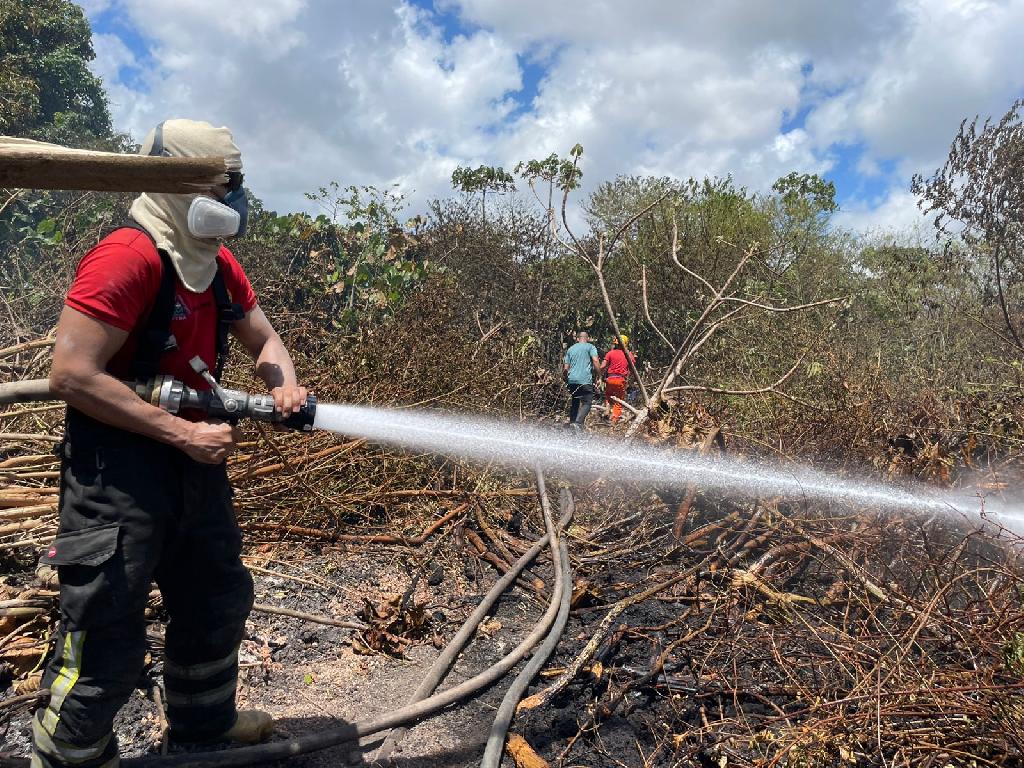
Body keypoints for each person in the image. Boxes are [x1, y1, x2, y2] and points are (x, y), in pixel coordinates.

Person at [32, 119, 307, 768]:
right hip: (114, 474)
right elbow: (72, 374)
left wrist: (284, 385)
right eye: (222, 185)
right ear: (177, 186)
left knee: (216, 598)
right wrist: (181, 430)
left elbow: (265, 340)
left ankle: (203, 726)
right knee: (106, 628)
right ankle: (70, 753)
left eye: (236, 184)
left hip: (194, 469)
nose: (235, 199)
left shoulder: (214, 265)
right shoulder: (127, 257)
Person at [562, 331, 600, 430]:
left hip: (572, 380)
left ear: (577, 339)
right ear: (586, 339)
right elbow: (595, 361)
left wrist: (566, 378)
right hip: (585, 380)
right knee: (587, 402)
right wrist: (599, 375)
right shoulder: (590, 347)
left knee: (575, 401)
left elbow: (566, 368)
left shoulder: (570, 349)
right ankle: (578, 423)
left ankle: (572, 423)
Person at [601, 334, 636, 423]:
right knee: (618, 401)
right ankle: (614, 419)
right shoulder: (628, 354)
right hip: (621, 380)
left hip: (610, 379)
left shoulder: (610, 353)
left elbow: (602, 366)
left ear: (616, 343)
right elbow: (632, 367)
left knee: (608, 396)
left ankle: (607, 408)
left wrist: (599, 376)